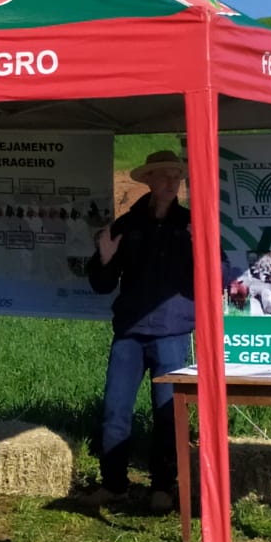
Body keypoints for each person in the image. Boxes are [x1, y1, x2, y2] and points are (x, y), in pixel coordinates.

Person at [86, 149, 193, 512]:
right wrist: (103, 259)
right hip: (129, 333)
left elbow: (216, 279)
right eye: (163, 176)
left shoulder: (191, 226)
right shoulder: (126, 226)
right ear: (147, 180)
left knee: (168, 414)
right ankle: (114, 485)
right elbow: (102, 285)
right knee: (116, 410)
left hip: (173, 333)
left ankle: (163, 487)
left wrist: (203, 251)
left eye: (175, 176)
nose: (170, 182)